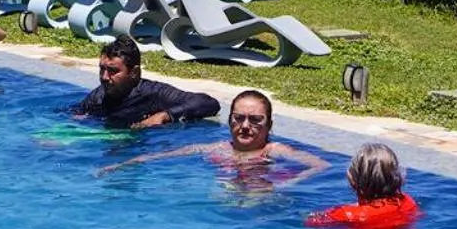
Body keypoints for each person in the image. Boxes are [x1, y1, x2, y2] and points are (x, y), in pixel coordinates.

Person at [101, 88, 328, 190]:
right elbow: (162, 156)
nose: (246, 126)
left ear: (269, 125)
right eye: (239, 118)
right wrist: (123, 164)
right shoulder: (217, 148)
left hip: (263, 204)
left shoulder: (274, 151)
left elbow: (321, 166)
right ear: (229, 121)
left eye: (255, 120)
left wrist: (285, 184)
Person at [73, 35, 221, 130]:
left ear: (134, 73)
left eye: (112, 71)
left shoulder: (154, 93)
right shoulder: (99, 96)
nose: (104, 77)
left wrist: (165, 115)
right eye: (102, 69)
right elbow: (76, 114)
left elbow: (209, 103)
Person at [305, 140, 420, 229]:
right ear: (397, 176)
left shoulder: (346, 214)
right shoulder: (407, 201)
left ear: (354, 180)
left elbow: (311, 223)